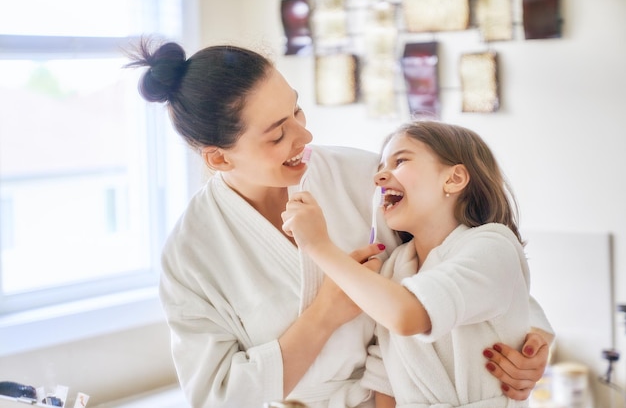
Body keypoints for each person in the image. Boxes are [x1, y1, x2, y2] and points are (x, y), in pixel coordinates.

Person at [125, 39, 553, 408]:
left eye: (297, 111)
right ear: (219, 157)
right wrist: (326, 313)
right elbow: (218, 395)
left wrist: (529, 335)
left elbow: (461, 253)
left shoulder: (360, 175)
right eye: (277, 135)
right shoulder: (191, 254)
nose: (304, 137)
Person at [282, 120, 547, 407]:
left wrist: (319, 246)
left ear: (454, 179)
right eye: (381, 167)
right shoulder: (398, 265)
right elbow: (386, 377)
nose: (379, 177)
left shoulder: (493, 247)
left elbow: (407, 315)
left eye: (400, 161)